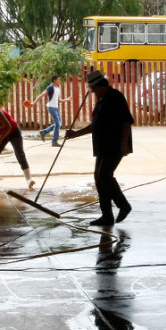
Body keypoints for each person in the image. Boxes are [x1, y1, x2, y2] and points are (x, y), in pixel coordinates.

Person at [65, 70, 134, 227]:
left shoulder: (115, 97)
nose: (92, 91)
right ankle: (107, 216)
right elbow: (95, 125)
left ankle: (124, 206)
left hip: (115, 144)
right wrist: (76, 134)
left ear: (101, 85)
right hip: (102, 145)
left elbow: (126, 121)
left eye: (93, 88)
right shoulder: (101, 100)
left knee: (104, 175)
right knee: (99, 178)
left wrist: (124, 143)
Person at [31, 74, 69, 147]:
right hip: (51, 107)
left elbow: (59, 100)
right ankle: (54, 141)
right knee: (58, 124)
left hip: (56, 107)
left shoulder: (57, 88)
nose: (59, 81)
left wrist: (67, 99)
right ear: (54, 80)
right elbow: (42, 95)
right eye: (59, 79)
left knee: (58, 124)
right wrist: (34, 103)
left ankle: (44, 132)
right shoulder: (50, 87)